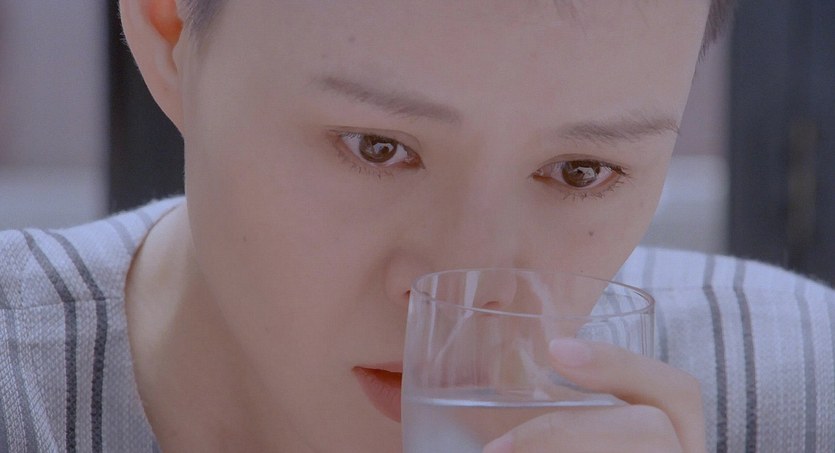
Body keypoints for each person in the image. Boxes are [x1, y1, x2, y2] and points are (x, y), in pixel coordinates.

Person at [1, 0, 832, 452]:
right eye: (377, 147)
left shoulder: (800, 395)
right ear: (170, 31)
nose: (467, 289)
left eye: (581, 171)